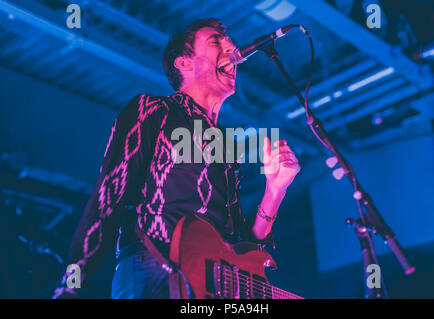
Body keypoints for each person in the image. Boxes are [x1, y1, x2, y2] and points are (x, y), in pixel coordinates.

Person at [53, 18, 300, 299]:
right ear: (184, 63)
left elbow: (244, 246)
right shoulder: (152, 110)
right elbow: (109, 196)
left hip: (216, 289)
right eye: (215, 41)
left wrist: (275, 189)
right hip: (157, 272)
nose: (231, 45)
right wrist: (71, 282)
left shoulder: (228, 145)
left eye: (227, 39)